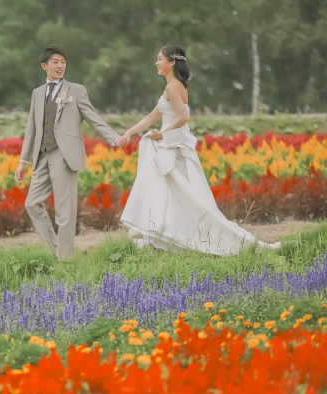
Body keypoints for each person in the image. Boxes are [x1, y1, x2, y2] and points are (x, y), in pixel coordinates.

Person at [116, 45, 281, 254]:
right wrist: (128, 133)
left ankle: (177, 236)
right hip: (173, 146)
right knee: (175, 195)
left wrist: (162, 134)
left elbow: (183, 118)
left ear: (171, 62)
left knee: (181, 196)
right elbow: (151, 117)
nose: (156, 63)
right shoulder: (175, 86)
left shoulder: (173, 87)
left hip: (172, 147)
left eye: (159, 59)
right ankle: (166, 238)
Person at [15, 45, 124, 262]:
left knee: (65, 212)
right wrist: (23, 161)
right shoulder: (37, 93)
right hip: (41, 155)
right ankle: (54, 251)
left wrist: (114, 137)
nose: (60, 66)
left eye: (63, 62)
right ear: (44, 66)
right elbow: (32, 129)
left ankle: (64, 261)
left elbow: (93, 117)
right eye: (55, 62)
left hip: (64, 155)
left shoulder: (76, 90)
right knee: (32, 203)